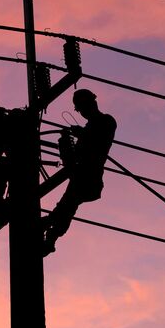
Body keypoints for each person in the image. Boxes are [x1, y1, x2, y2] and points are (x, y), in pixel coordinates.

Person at [43, 89, 117, 256]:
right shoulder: (89, 128)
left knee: (67, 205)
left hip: (90, 176)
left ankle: (48, 229)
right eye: (79, 109)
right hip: (81, 175)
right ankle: (50, 235)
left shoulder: (106, 121)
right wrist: (65, 143)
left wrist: (81, 135)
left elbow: (99, 142)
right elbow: (73, 158)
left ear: (92, 104)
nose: (81, 112)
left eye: (81, 108)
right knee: (67, 206)